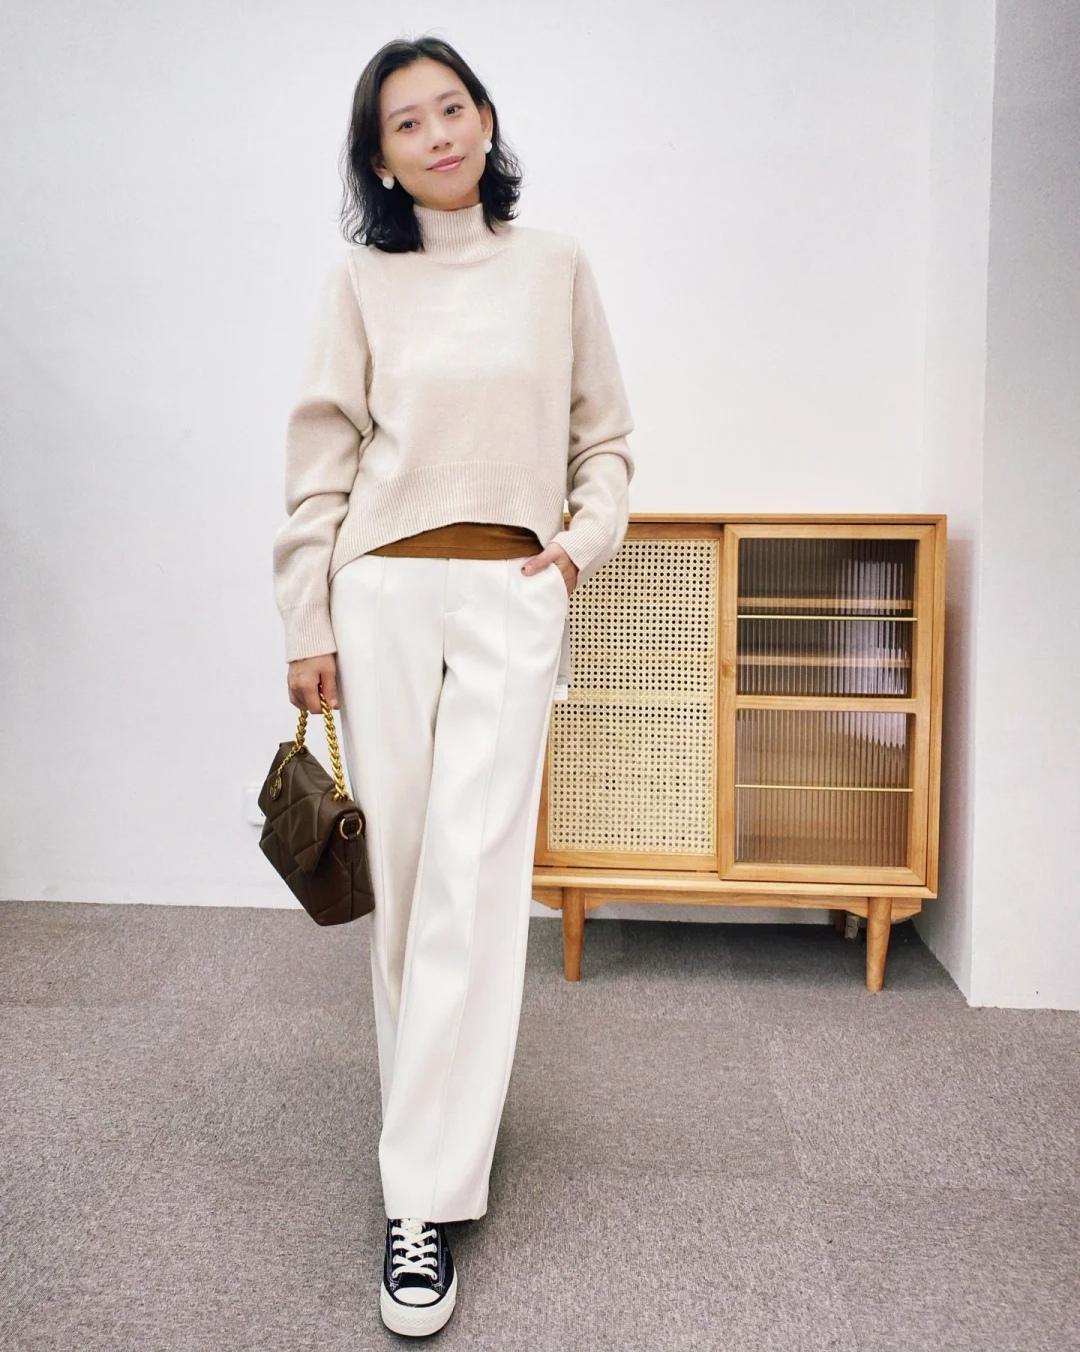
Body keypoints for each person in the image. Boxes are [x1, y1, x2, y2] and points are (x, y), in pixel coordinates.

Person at [271, 33, 635, 1339]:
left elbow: (605, 440)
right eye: (407, 123)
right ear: (379, 158)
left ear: (485, 117)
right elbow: (322, 458)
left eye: (452, 107)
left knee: (475, 891)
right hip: (381, 591)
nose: (437, 134)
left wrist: (576, 550)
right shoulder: (361, 282)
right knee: (410, 881)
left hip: (510, 590)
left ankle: (416, 1199)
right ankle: (425, 1152)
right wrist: (307, 613)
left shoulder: (555, 266)